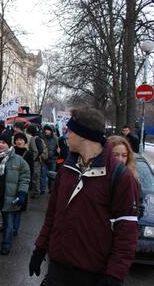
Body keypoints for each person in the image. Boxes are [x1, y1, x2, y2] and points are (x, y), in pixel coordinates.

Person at [29, 106, 139, 286]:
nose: (66, 135)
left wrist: (114, 276)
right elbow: (52, 215)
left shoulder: (120, 177)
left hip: (92, 274)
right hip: (57, 268)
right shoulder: (66, 169)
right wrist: (40, 248)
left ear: (83, 135)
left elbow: (126, 232)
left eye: (70, 131)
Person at [0, 133, 30, 257]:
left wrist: (21, 193)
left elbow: (25, 178)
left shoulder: (19, 160)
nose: (0, 145)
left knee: (8, 224)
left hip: (10, 198)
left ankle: (6, 245)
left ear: (9, 144)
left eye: (4, 142)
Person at [12, 132, 33, 235]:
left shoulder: (28, 154)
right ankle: (7, 225)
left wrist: (29, 185)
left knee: (18, 207)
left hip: (22, 183)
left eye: (21, 140)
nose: (19, 141)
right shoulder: (11, 151)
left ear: (25, 141)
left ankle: (15, 227)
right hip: (10, 181)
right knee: (8, 204)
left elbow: (31, 170)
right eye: (17, 139)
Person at [26, 124, 43, 198]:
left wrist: (33, 159)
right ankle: (36, 191)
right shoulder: (38, 137)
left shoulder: (33, 138)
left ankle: (36, 192)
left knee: (35, 177)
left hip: (35, 161)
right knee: (36, 176)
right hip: (37, 160)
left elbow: (35, 151)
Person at [40, 125, 58, 193]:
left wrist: (57, 153)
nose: (46, 131)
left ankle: (51, 189)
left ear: (51, 131)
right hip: (44, 159)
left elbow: (59, 148)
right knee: (43, 175)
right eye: (45, 130)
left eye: (48, 130)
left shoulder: (56, 138)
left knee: (52, 176)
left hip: (53, 160)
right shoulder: (42, 138)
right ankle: (42, 189)